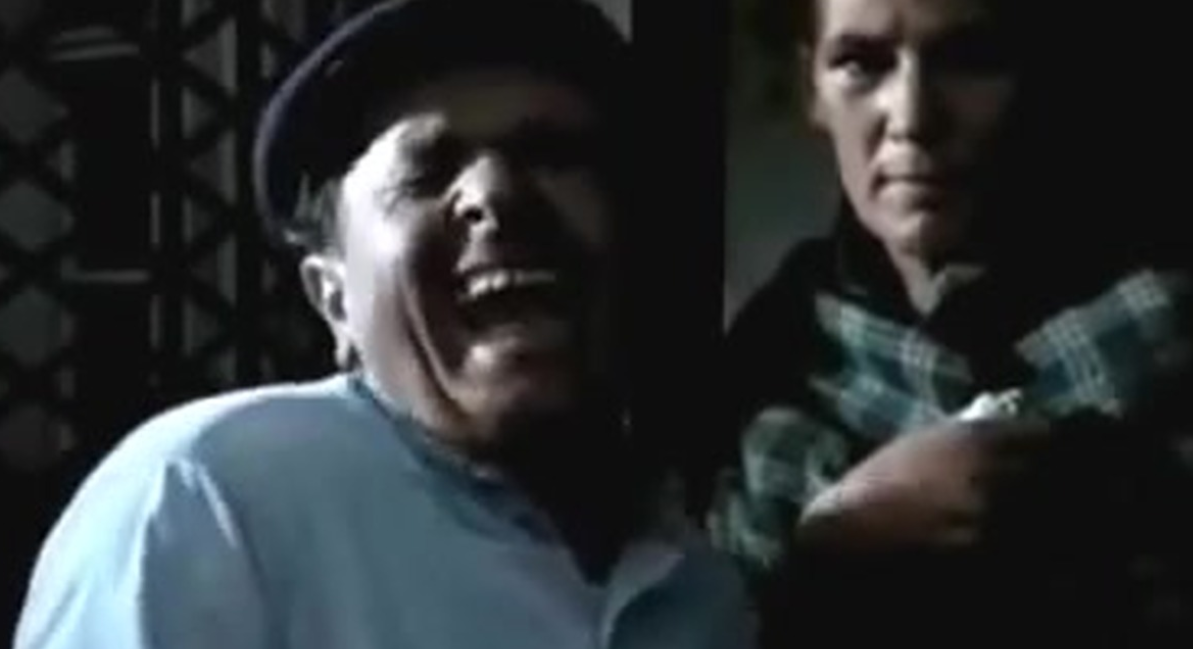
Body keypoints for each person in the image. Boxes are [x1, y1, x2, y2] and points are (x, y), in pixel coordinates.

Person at [13, 1, 755, 647]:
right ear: (332, 298)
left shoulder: (698, 583)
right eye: (425, 172)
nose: (496, 195)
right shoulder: (209, 501)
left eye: (553, 155)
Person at [710, 0, 1193, 644]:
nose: (913, 118)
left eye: (967, 59)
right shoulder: (773, 363)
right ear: (811, 89)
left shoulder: (1162, 320)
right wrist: (840, 536)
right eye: (861, 63)